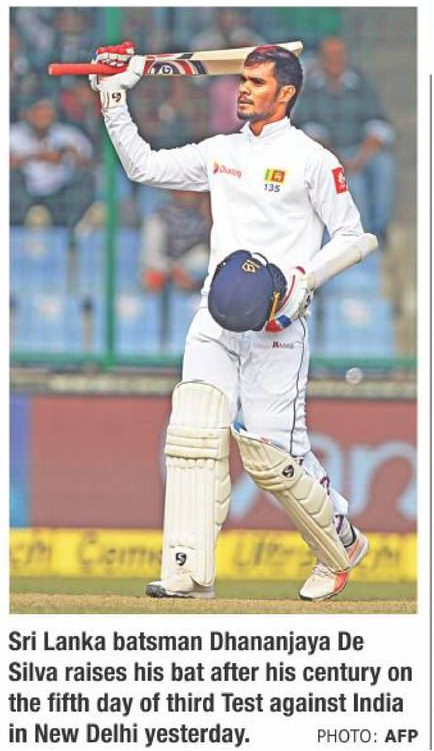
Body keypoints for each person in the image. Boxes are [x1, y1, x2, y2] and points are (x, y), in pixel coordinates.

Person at [89, 40, 374, 602]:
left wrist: (303, 281)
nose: (243, 89)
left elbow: (354, 236)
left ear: (285, 93)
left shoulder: (313, 159)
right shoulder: (221, 150)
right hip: (215, 317)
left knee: (273, 457)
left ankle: (338, 546)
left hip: (277, 326)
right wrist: (113, 100)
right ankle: (188, 570)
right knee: (194, 431)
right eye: (243, 79)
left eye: (257, 82)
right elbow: (144, 166)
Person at [293, 37, 395, 245]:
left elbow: (379, 123)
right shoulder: (311, 88)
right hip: (327, 152)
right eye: (329, 55)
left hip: (360, 150)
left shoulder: (361, 84)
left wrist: (361, 157)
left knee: (385, 166)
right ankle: (355, 237)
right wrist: (338, 158)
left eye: (338, 54)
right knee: (353, 182)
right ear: (321, 59)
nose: (334, 59)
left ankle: (379, 229)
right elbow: (307, 128)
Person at [10, 97, 95, 227]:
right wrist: (38, 156)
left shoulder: (68, 135)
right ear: (28, 114)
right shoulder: (12, 134)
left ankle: (76, 226)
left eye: (48, 112)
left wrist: (68, 154)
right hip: (23, 194)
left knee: (85, 178)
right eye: (39, 112)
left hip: (60, 193)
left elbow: (87, 163)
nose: (45, 117)